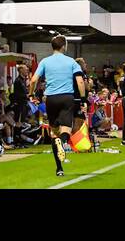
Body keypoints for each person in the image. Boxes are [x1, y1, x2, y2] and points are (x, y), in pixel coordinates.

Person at [28, 35, 85, 178]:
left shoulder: (45, 61)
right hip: (67, 97)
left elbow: (34, 80)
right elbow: (80, 82)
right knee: (66, 128)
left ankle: (59, 168)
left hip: (51, 98)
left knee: (54, 132)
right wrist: (83, 99)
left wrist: (31, 94)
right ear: (64, 46)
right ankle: (64, 142)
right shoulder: (71, 61)